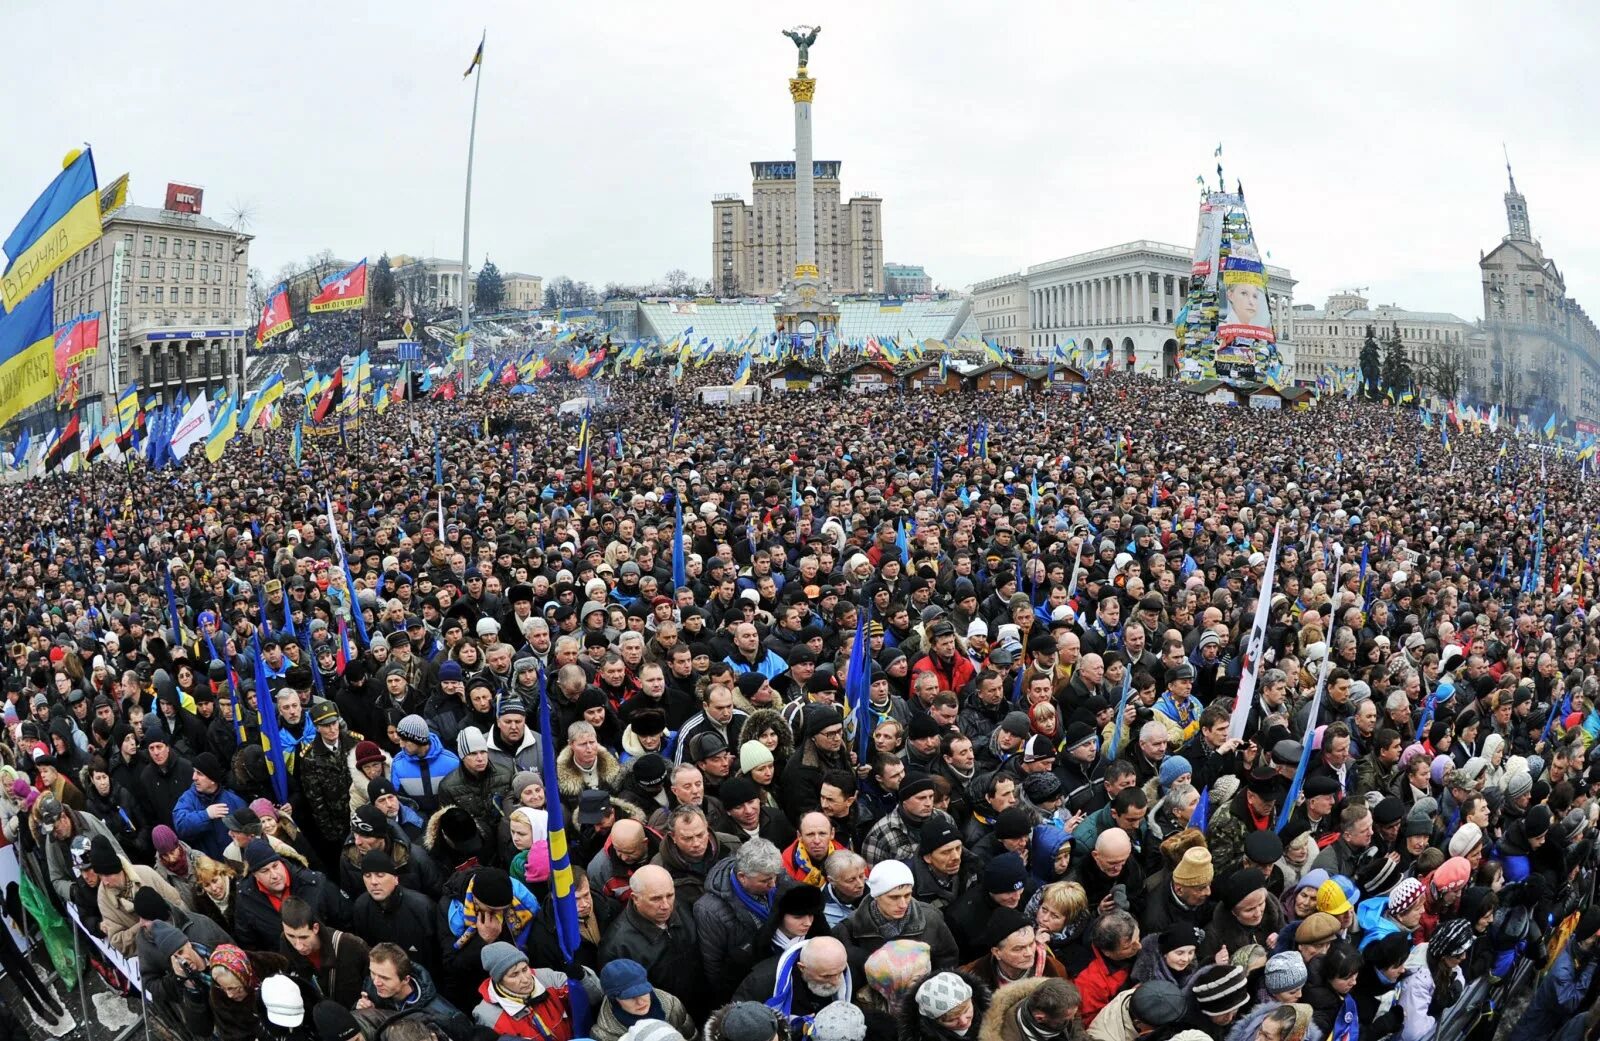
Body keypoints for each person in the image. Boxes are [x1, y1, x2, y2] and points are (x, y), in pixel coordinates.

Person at [832, 859, 959, 968]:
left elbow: (948, 959)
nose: (903, 904)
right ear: (877, 896)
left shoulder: (931, 918)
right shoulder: (849, 928)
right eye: (894, 897)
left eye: (907, 895)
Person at [470, 941, 575, 1040]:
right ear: (499, 980)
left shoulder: (547, 978)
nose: (525, 979)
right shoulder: (487, 1017)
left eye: (525, 969)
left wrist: (583, 976)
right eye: (514, 975)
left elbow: (586, 996)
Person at [279, 895, 370, 1009]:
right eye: (291, 936)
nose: (298, 946)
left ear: (315, 928)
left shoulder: (351, 946)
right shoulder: (285, 942)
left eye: (304, 937)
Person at [591, 958, 696, 1041]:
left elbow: (691, 1036)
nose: (641, 1002)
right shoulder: (604, 1035)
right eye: (629, 997)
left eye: (643, 991)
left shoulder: (672, 1005)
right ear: (614, 999)